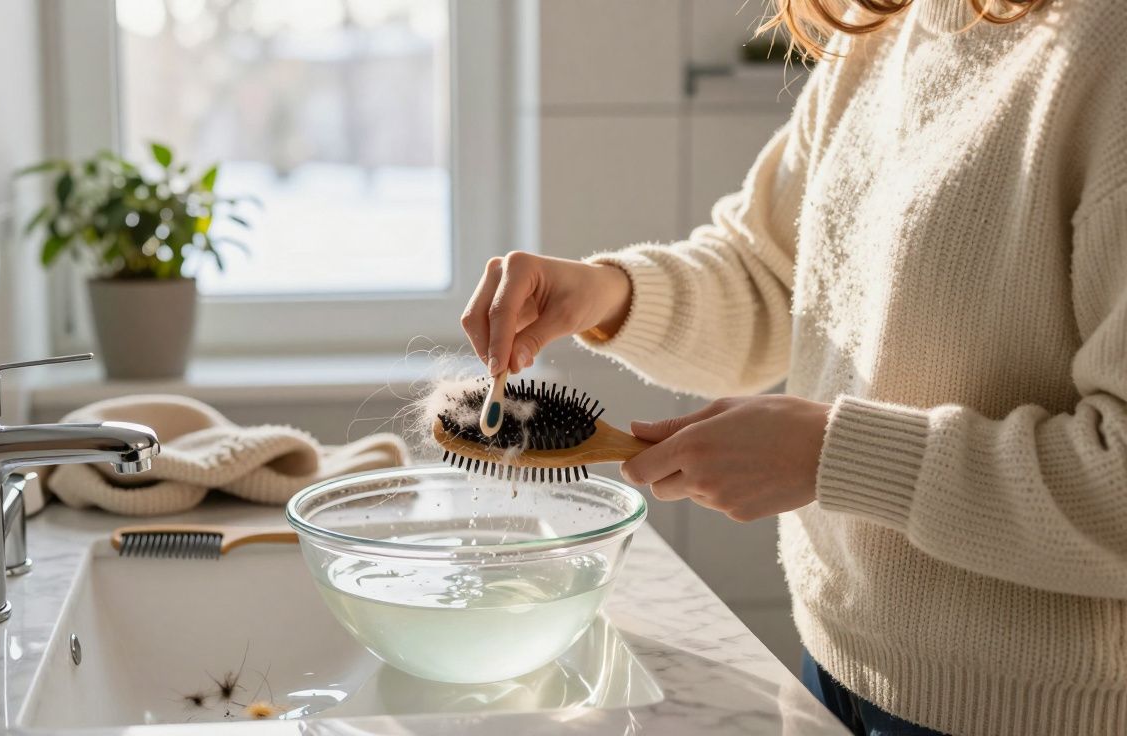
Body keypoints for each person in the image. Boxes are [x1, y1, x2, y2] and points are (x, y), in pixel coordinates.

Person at [459, 1, 1127, 734]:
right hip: (835, 667)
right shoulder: (887, 28)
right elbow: (774, 276)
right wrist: (608, 295)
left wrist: (833, 456)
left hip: (1038, 714)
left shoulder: (1107, 55)